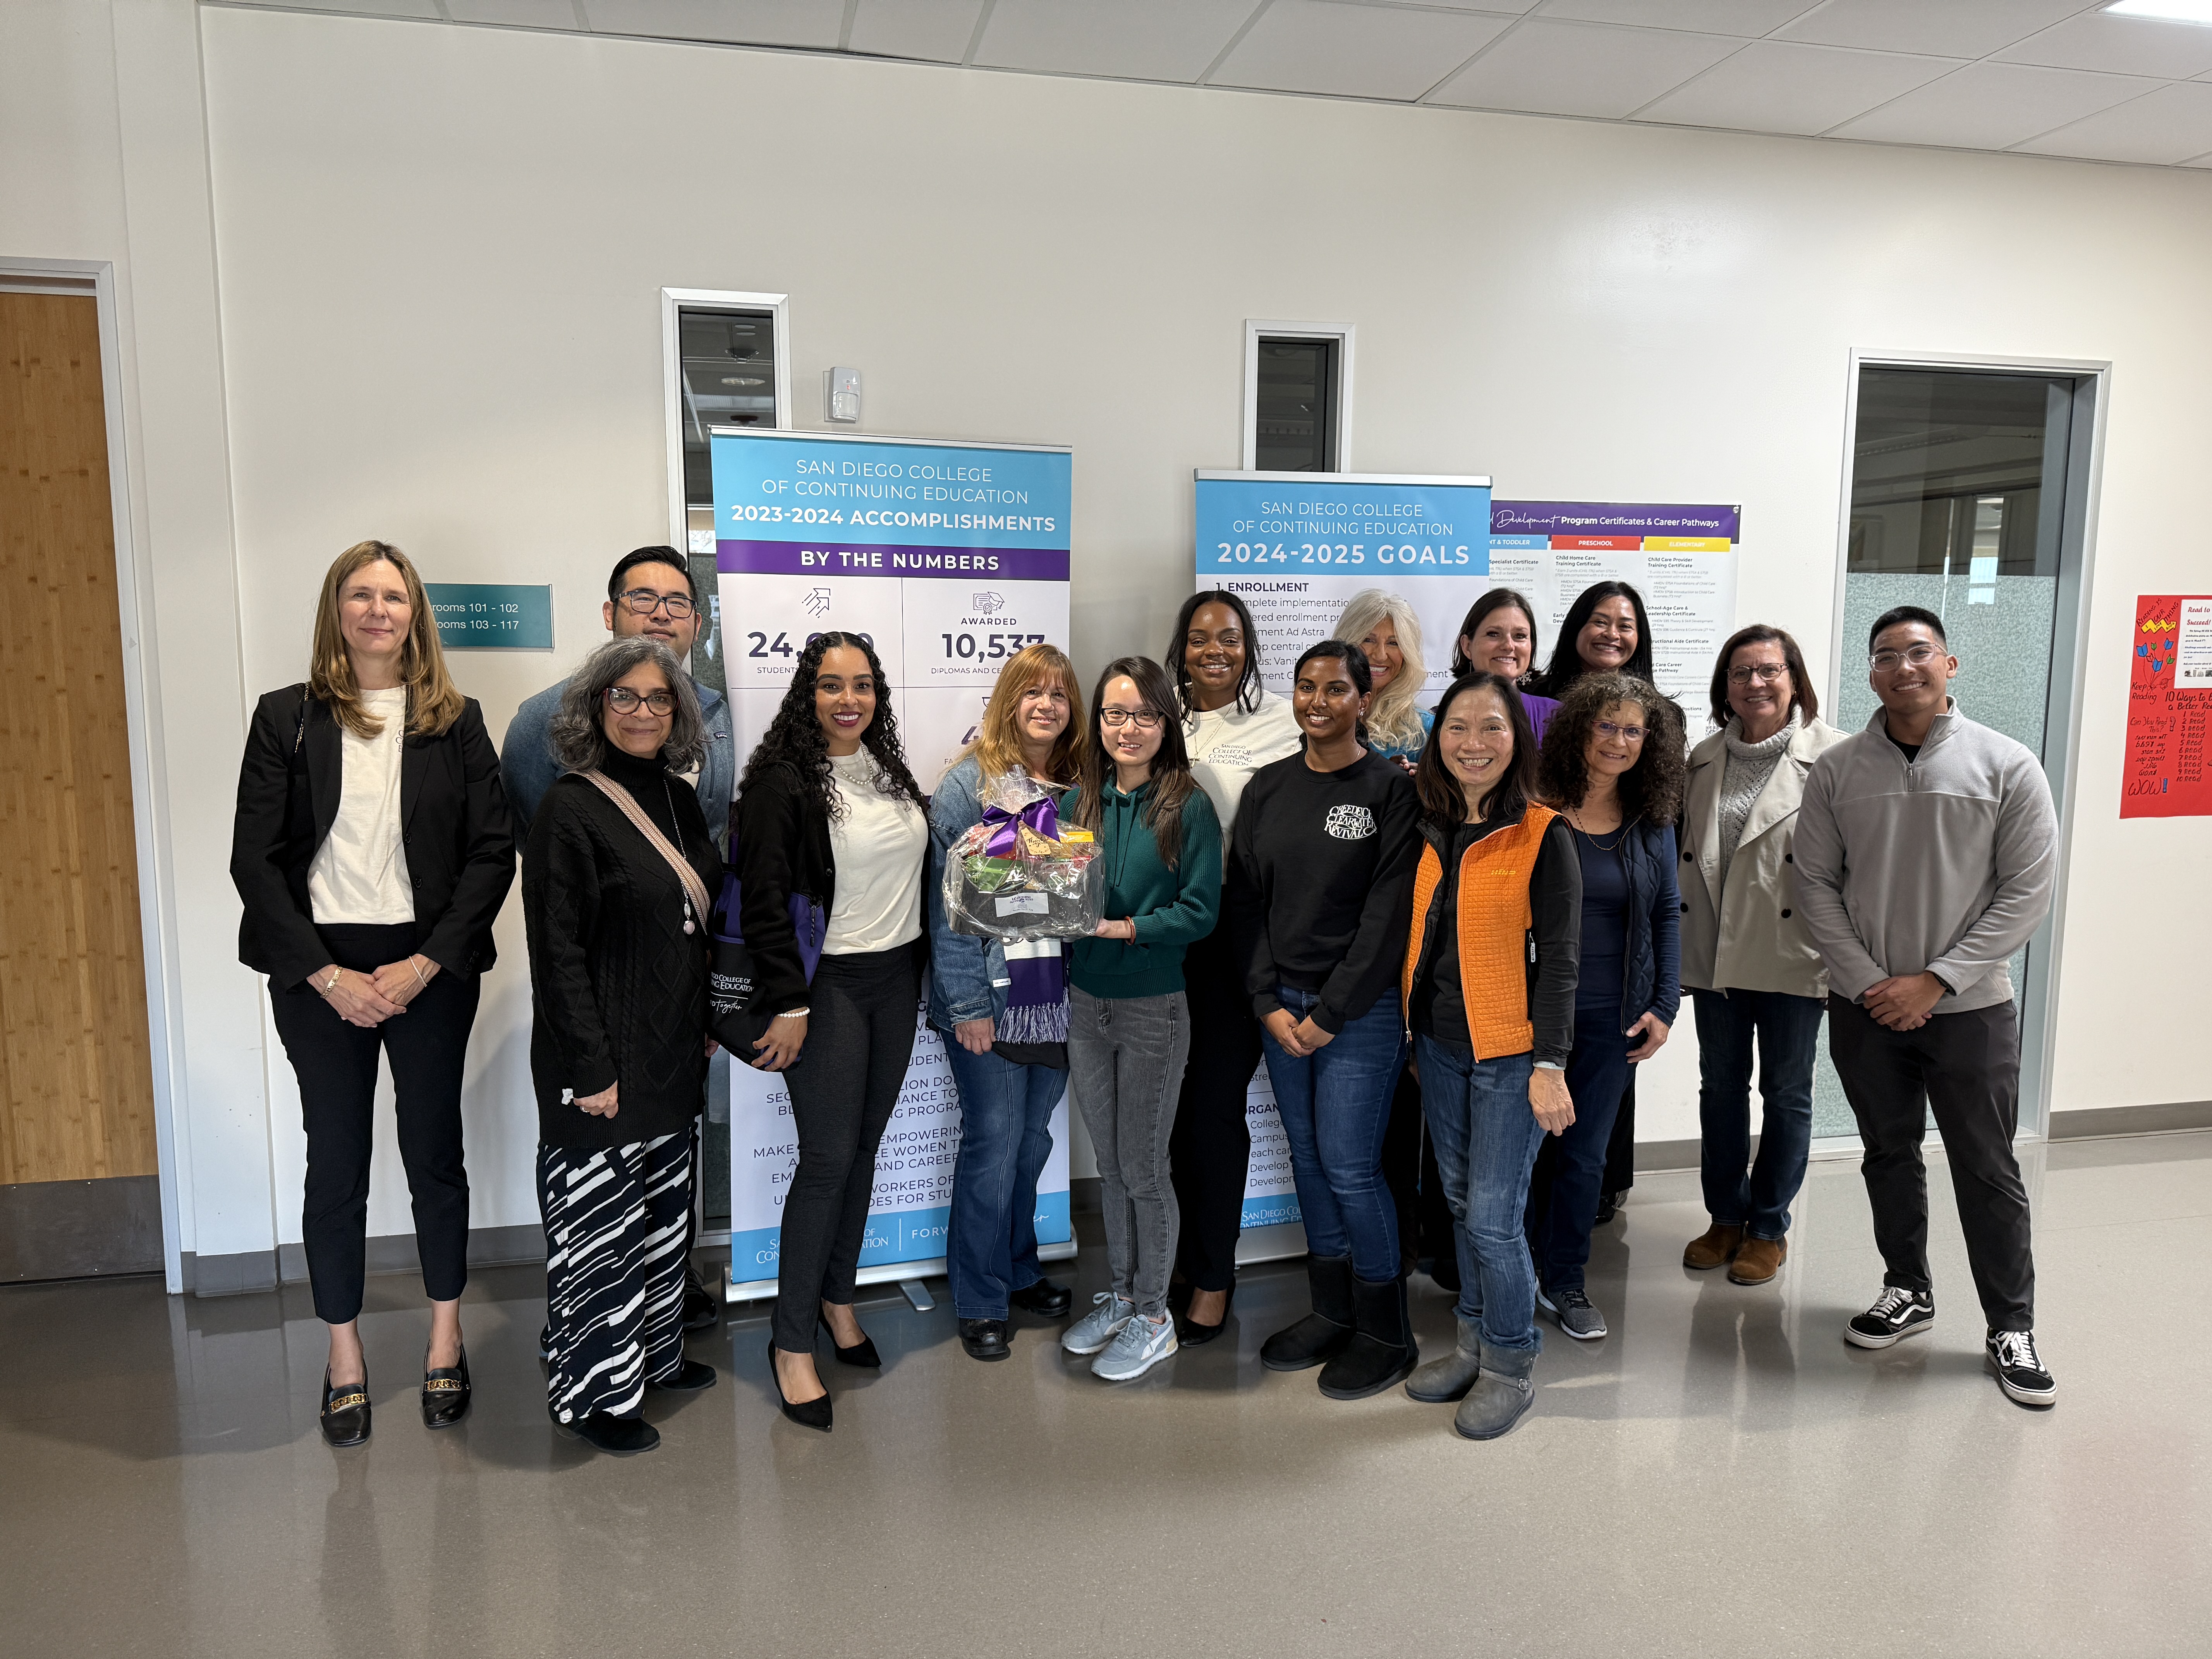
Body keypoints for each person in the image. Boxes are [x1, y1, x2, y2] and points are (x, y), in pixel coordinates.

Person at [231, 539, 515, 1448]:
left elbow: (490, 852)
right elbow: (256, 860)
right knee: (338, 1158)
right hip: (320, 972)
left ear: (414, 614)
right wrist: (325, 976)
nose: (379, 611)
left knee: (434, 1152)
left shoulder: (455, 720)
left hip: (426, 968)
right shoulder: (287, 719)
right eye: (362, 595)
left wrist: (426, 964)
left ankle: (444, 1334)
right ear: (338, 610)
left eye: (395, 596)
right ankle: (344, 1351)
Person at [1794, 607, 2059, 1408]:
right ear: (1869, 673)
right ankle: (1907, 1287)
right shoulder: (1839, 771)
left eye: (1917, 654)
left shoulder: (2007, 766)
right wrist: (1872, 980)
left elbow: (2027, 893)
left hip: (1972, 1010)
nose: (1901, 667)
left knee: (1988, 1167)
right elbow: (1812, 885)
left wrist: (1936, 981)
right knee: (1888, 1152)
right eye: (1884, 656)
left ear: (1950, 665)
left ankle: (2011, 1325)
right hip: (1865, 1005)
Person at [500, 544, 736, 1335]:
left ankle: (658, 1338)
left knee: (668, 1190)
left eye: (677, 602)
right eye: (644, 598)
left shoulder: (689, 770)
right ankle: (593, 1366)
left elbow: (708, 871)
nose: (661, 613)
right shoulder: (548, 747)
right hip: (603, 1003)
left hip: (674, 1011)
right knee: (597, 1201)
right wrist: (588, 1055)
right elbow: (560, 916)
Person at [523, 638, 721, 1455]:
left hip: (673, 1051)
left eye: (659, 699)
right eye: (626, 698)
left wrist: (708, 1019)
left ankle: (657, 1355)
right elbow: (556, 952)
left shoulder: (678, 798)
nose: (644, 713)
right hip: (601, 1059)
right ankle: (597, 1396)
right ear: (594, 707)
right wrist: (590, 1067)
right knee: (601, 1233)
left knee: (666, 1222)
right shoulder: (568, 808)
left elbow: (694, 924)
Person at [737, 632, 931, 1432]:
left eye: (862, 685)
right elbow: (762, 901)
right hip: (829, 990)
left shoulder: (887, 770)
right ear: (805, 694)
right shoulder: (783, 783)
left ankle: (837, 1298)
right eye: (830, 685)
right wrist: (790, 1001)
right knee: (824, 1161)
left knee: (862, 1150)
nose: (848, 700)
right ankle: (790, 1343)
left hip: (898, 978)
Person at [1228, 641, 1421, 1400]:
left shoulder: (1389, 790)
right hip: (1283, 1012)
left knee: (1348, 1165)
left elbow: (1387, 917)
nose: (1318, 701)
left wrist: (1332, 1013)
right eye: (1306, 687)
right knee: (1307, 1161)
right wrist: (1268, 1002)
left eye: (1336, 689)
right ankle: (1332, 1309)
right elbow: (1247, 901)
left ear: (1364, 701)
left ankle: (1386, 1329)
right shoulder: (1270, 788)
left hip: (1358, 1014)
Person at [1398, 672, 1580, 1439]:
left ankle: (1511, 1363)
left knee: (1497, 1222)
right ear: (1438, 741)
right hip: (1439, 1045)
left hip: (1512, 1053)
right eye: (1458, 728)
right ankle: (1471, 1343)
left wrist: (1550, 1064)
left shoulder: (1544, 832)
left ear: (1518, 739)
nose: (1474, 744)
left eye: (1492, 728)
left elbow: (1565, 959)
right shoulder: (1431, 821)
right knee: (1464, 1204)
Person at [1056, 658, 1223, 1382]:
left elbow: (1201, 909)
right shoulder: (1076, 803)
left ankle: (1156, 1316)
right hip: (1083, 1001)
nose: (1128, 728)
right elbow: (1052, 893)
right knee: (1112, 1164)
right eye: (1114, 713)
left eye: (1144, 714)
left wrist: (1125, 928)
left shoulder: (1187, 804)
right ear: (1097, 721)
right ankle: (1123, 1294)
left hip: (1153, 1004)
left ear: (1165, 722)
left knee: (1145, 1168)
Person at [927, 644, 1087, 1363]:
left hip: (1057, 993)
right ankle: (981, 1297)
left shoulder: (1080, 787)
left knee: (1030, 1143)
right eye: (1032, 693)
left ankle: (1019, 1266)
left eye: (1059, 694)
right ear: (1008, 702)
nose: (1046, 705)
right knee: (992, 1145)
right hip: (991, 993)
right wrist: (965, 1004)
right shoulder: (971, 787)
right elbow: (950, 912)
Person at [1679, 625, 1847, 1286]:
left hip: (1791, 952)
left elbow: (1854, 866)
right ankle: (1725, 1215)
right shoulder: (1699, 757)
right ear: (1724, 686)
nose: (1755, 683)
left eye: (1769, 669)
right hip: (1716, 952)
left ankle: (1768, 1225)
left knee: (1785, 1093)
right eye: (1740, 672)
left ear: (1793, 677)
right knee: (1719, 1089)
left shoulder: (1835, 756)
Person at [1525, 673, 1683, 1341]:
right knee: (1522, 1154)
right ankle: (1511, 1273)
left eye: (1632, 729)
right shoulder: (1535, 810)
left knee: (1584, 1157)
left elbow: (1668, 915)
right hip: (1532, 1018)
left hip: (1614, 1017)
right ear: (1578, 729)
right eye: (1605, 725)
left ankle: (1564, 1278)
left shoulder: (1651, 825)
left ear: (1647, 742)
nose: (1618, 740)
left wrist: (1665, 1005)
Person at [1166, 591, 1303, 1343]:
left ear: (1250, 647)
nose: (1214, 650)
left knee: (1215, 1113)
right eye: (1198, 639)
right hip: (1160, 941)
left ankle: (1216, 1276)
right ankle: (1181, 1260)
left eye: (1229, 637)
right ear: (1180, 649)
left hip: (1238, 942)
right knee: (1166, 1116)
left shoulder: (1282, 723)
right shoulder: (1158, 718)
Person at [1532, 580, 1658, 1219]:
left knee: (1599, 1112)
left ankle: (1589, 1209)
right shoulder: (1535, 701)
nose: (1612, 632)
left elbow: (1661, 892)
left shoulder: (1655, 717)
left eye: (1625, 623)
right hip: (1546, 973)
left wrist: (1661, 996)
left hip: (1616, 970)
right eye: (1600, 620)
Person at [1333, 589, 1430, 766]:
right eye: (1368, 640)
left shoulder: (1425, 729)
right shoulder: (1318, 715)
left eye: (1393, 643)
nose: (1380, 655)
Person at [1451, 587, 1559, 742]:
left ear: (1531, 647)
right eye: (1494, 634)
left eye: (1520, 636)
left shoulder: (1557, 717)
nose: (1509, 646)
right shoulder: (1439, 719)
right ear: (1467, 646)